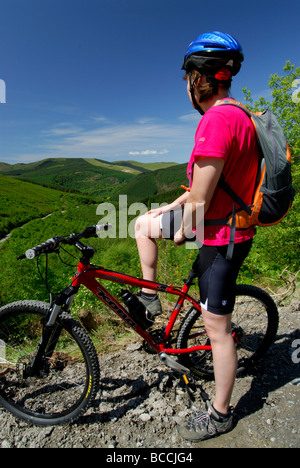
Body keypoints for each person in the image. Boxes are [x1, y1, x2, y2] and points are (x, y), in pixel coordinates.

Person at [135, 31, 259, 441]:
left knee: (217, 329)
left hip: (222, 238)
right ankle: (150, 298)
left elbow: (202, 199)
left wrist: (183, 227)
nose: (186, 84)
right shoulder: (239, 115)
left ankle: (221, 413)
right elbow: (204, 187)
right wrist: (168, 210)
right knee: (144, 223)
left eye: (188, 75)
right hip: (227, 229)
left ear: (200, 78)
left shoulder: (214, 121)